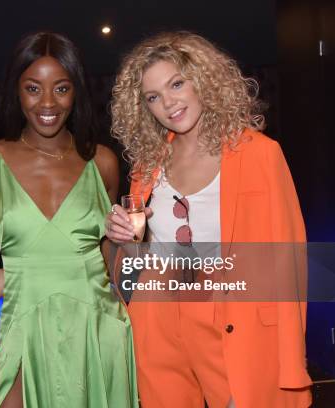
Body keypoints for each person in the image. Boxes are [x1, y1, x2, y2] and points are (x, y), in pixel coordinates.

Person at [106, 32, 312, 407]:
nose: (168, 103)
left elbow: (289, 263)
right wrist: (125, 240)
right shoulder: (148, 165)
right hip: (156, 314)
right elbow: (138, 258)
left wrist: (290, 360)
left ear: (203, 79)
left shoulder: (258, 155)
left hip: (231, 314)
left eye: (177, 84)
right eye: (153, 97)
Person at [0, 32, 138, 408]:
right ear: (16, 90)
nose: (47, 102)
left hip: (98, 332)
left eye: (61, 88)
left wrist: (132, 242)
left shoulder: (102, 163)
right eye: (33, 88)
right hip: (24, 332)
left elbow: (115, 260)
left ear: (76, 92)